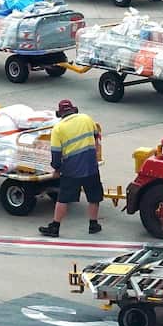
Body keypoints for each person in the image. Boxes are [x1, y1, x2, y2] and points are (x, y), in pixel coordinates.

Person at [38, 99, 104, 237]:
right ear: (74, 109)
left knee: (63, 198)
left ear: (61, 114)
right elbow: (97, 137)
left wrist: (56, 169)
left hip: (71, 169)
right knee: (93, 196)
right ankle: (93, 224)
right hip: (90, 165)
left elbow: (56, 153)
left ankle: (55, 227)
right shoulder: (86, 118)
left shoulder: (58, 128)